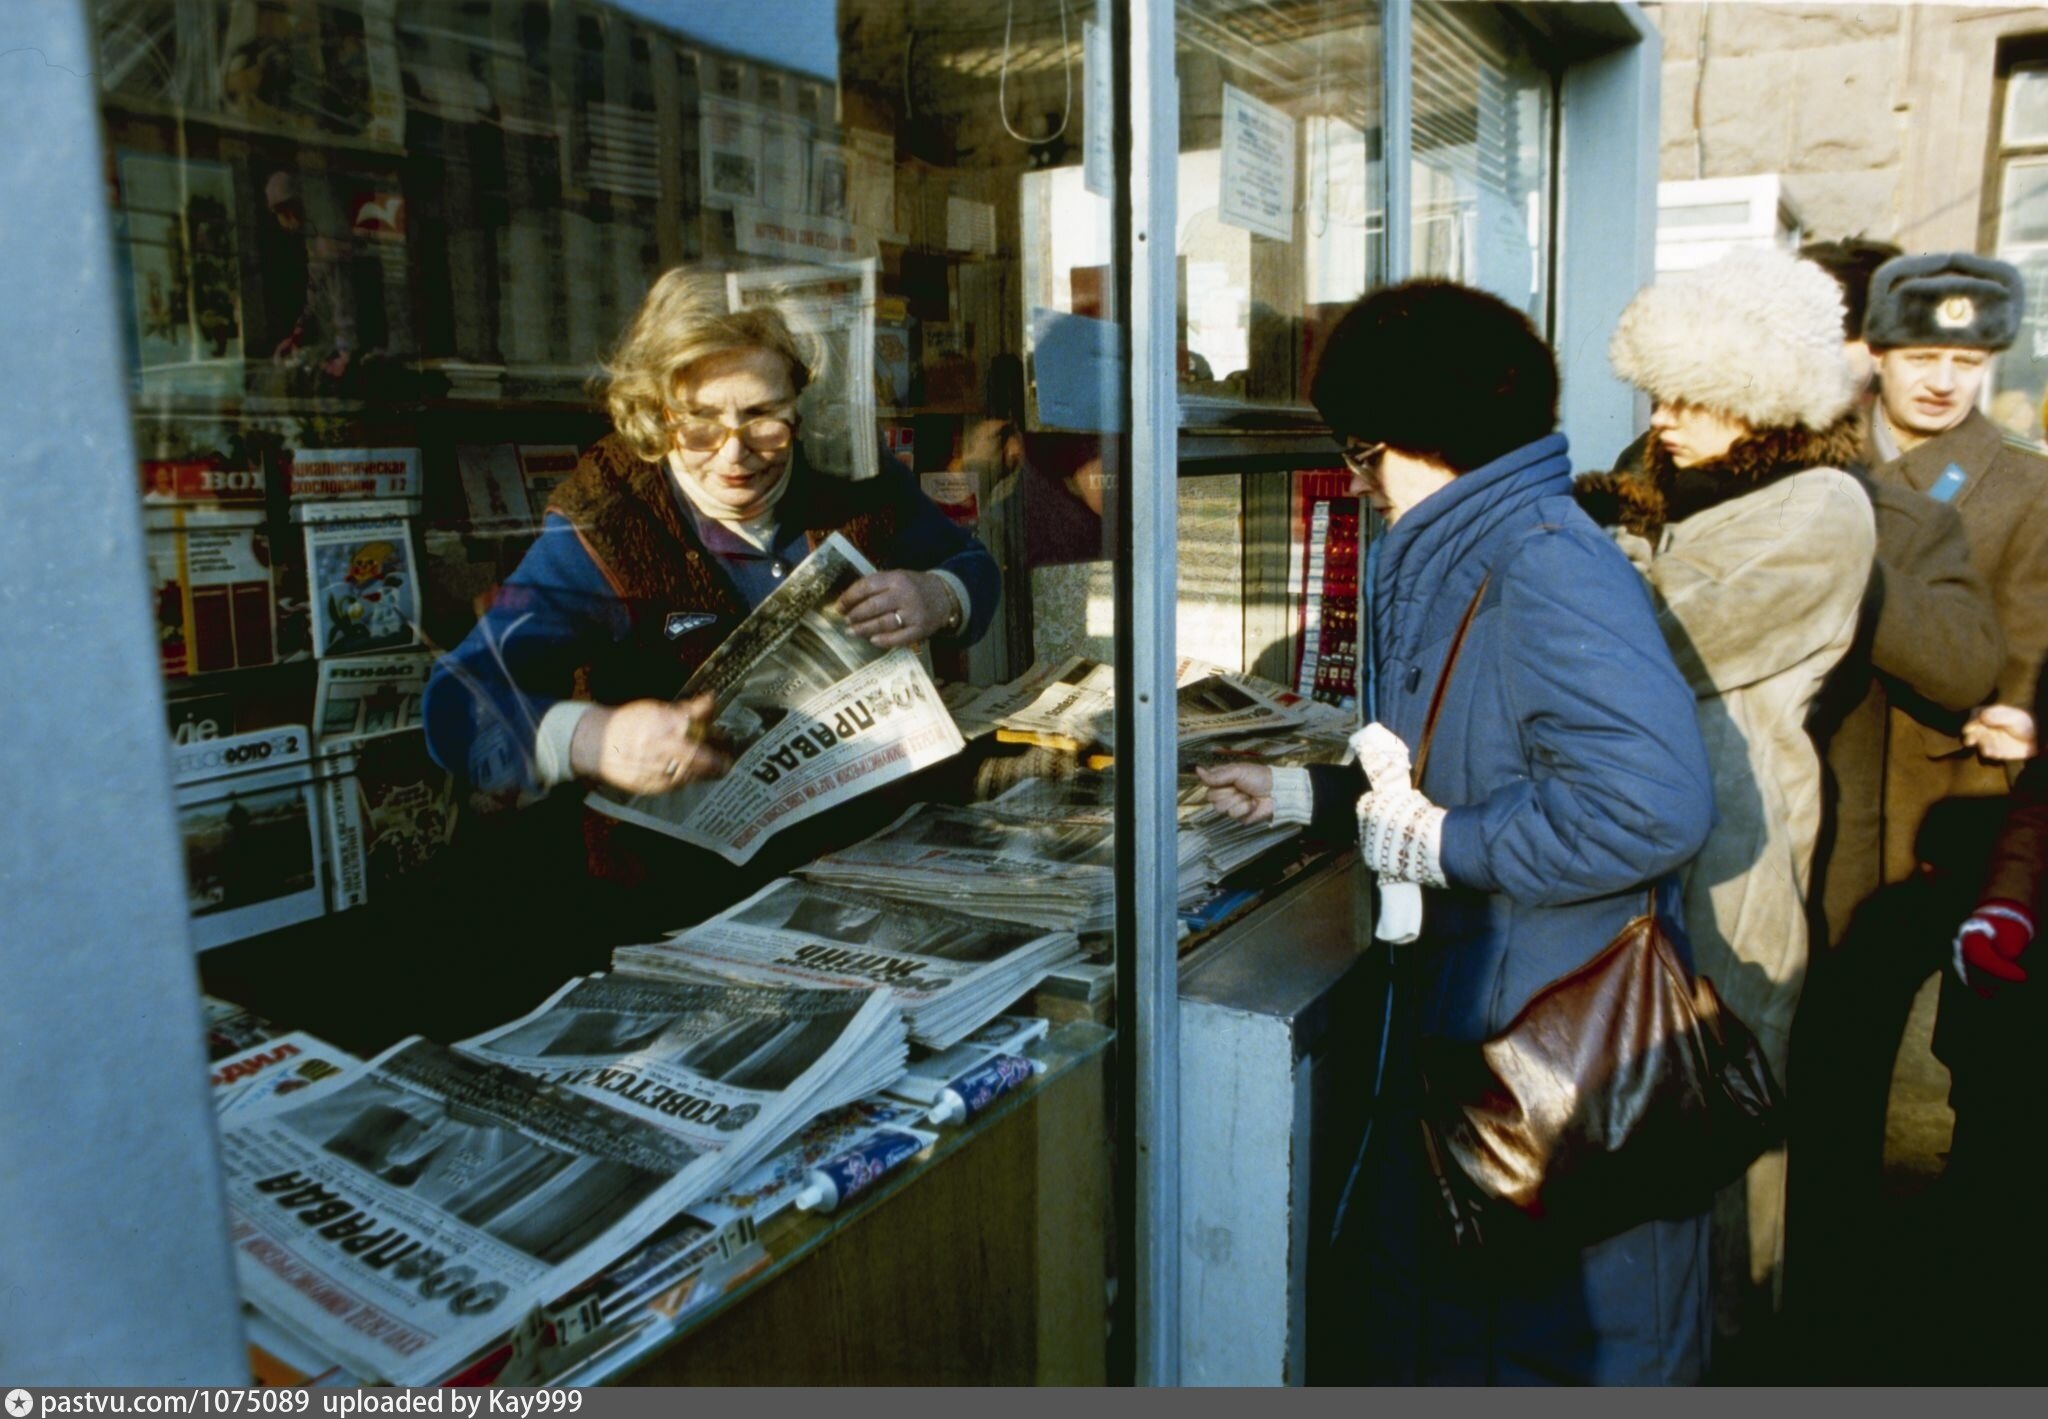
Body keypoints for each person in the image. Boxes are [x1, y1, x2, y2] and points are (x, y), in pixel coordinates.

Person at [1199, 281, 1717, 1384]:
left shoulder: (1539, 562)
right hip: (1498, 1030)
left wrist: (1439, 849)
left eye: (1356, 452)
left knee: (1551, 1342)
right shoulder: (1476, 543)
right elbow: (1468, 763)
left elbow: (1646, 807)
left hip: (1553, 1054)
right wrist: (1306, 800)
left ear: (1395, 442)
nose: (1358, 482)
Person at [423, 269, 998, 931]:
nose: (734, 455)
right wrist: (590, 738)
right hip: (684, 896)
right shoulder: (605, 521)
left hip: (864, 856)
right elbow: (455, 698)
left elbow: (972, 565)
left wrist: (937, 594)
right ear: (657, 416)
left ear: (798, 407)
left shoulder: (853, 479)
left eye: (763, 420)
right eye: (699, 426)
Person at [1575, 246, 1876, 1369]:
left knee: (1724, 1112)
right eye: (1656, 391)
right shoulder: (1647, 480)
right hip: (1626, 844)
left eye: (1694, 395)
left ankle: (1722, 1351)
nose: (1665, 418)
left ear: (1764, 395)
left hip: (1732, 854)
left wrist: (1605, 548)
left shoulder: (1821, 508)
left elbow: (1652, 645)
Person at [1782, 243, 2004, 1369]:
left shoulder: (2018, 482)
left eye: (1965, 359)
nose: (1940, 381)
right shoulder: (1812, 452)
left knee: (1846, 1081)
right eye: (1919, 353)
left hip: (1921, 833)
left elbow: (2016, 652)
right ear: (1870, 354)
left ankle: (1827, 1315)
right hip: (1798, 816)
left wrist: (2020, 717)